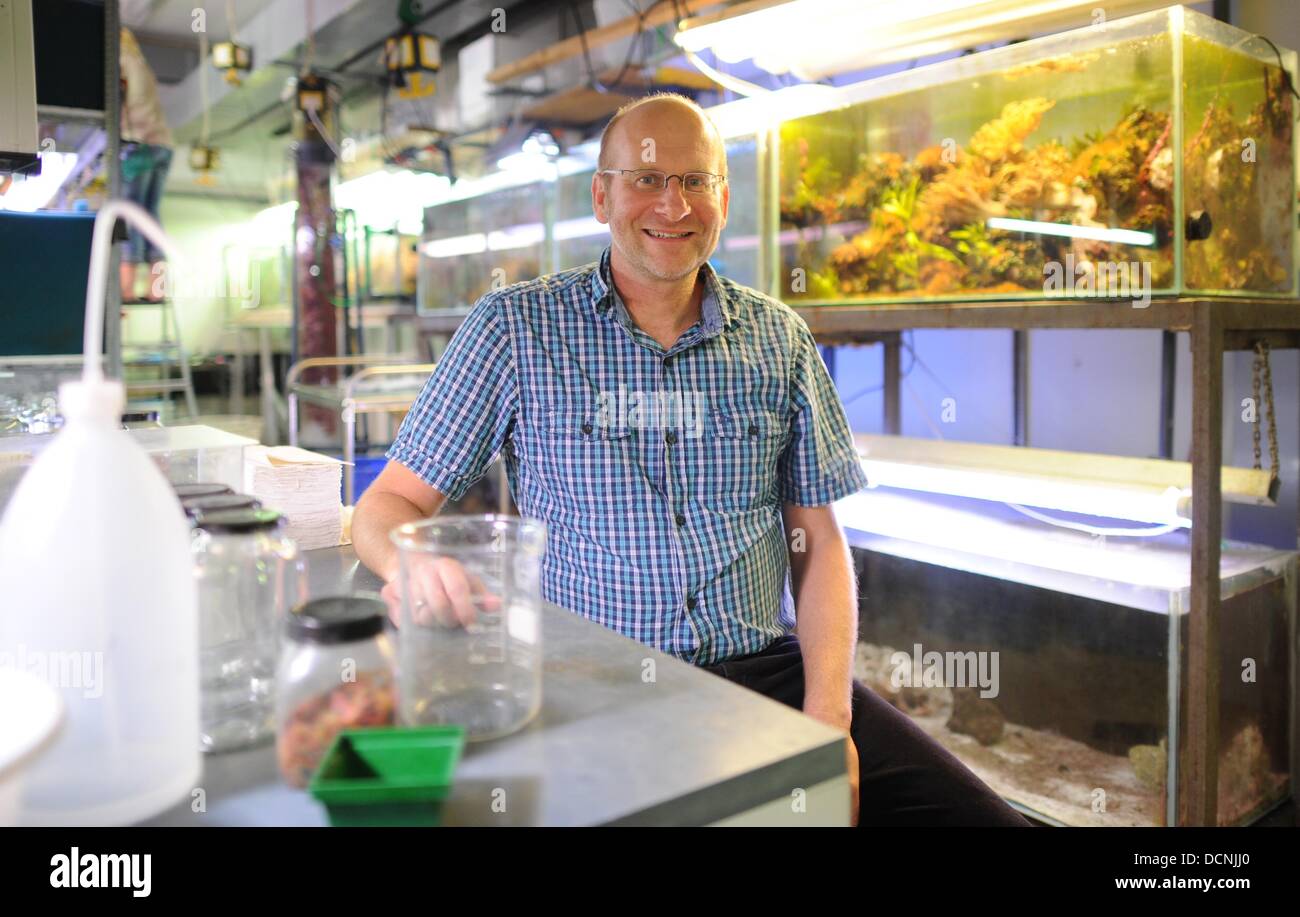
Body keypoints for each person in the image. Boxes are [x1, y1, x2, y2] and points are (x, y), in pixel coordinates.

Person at [353, 93, 1029, 827]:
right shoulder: (516, 329)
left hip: (763, 674)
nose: (673, 205)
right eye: (647, 179)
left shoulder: (779, 340)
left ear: (723, 197)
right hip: (590, 683)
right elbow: (388, 505)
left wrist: (828, 719)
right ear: (601, 194)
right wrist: (413, 565)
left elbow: (820, 541)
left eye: (695, 181)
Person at [118, 27, 174, 303]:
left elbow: (133, 104)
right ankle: (157, 290)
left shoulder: (121, 64)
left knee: (131, 214)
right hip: (163, 145)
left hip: (141, 145)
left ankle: (127, 289)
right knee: (150, 214)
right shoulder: (143, 65)